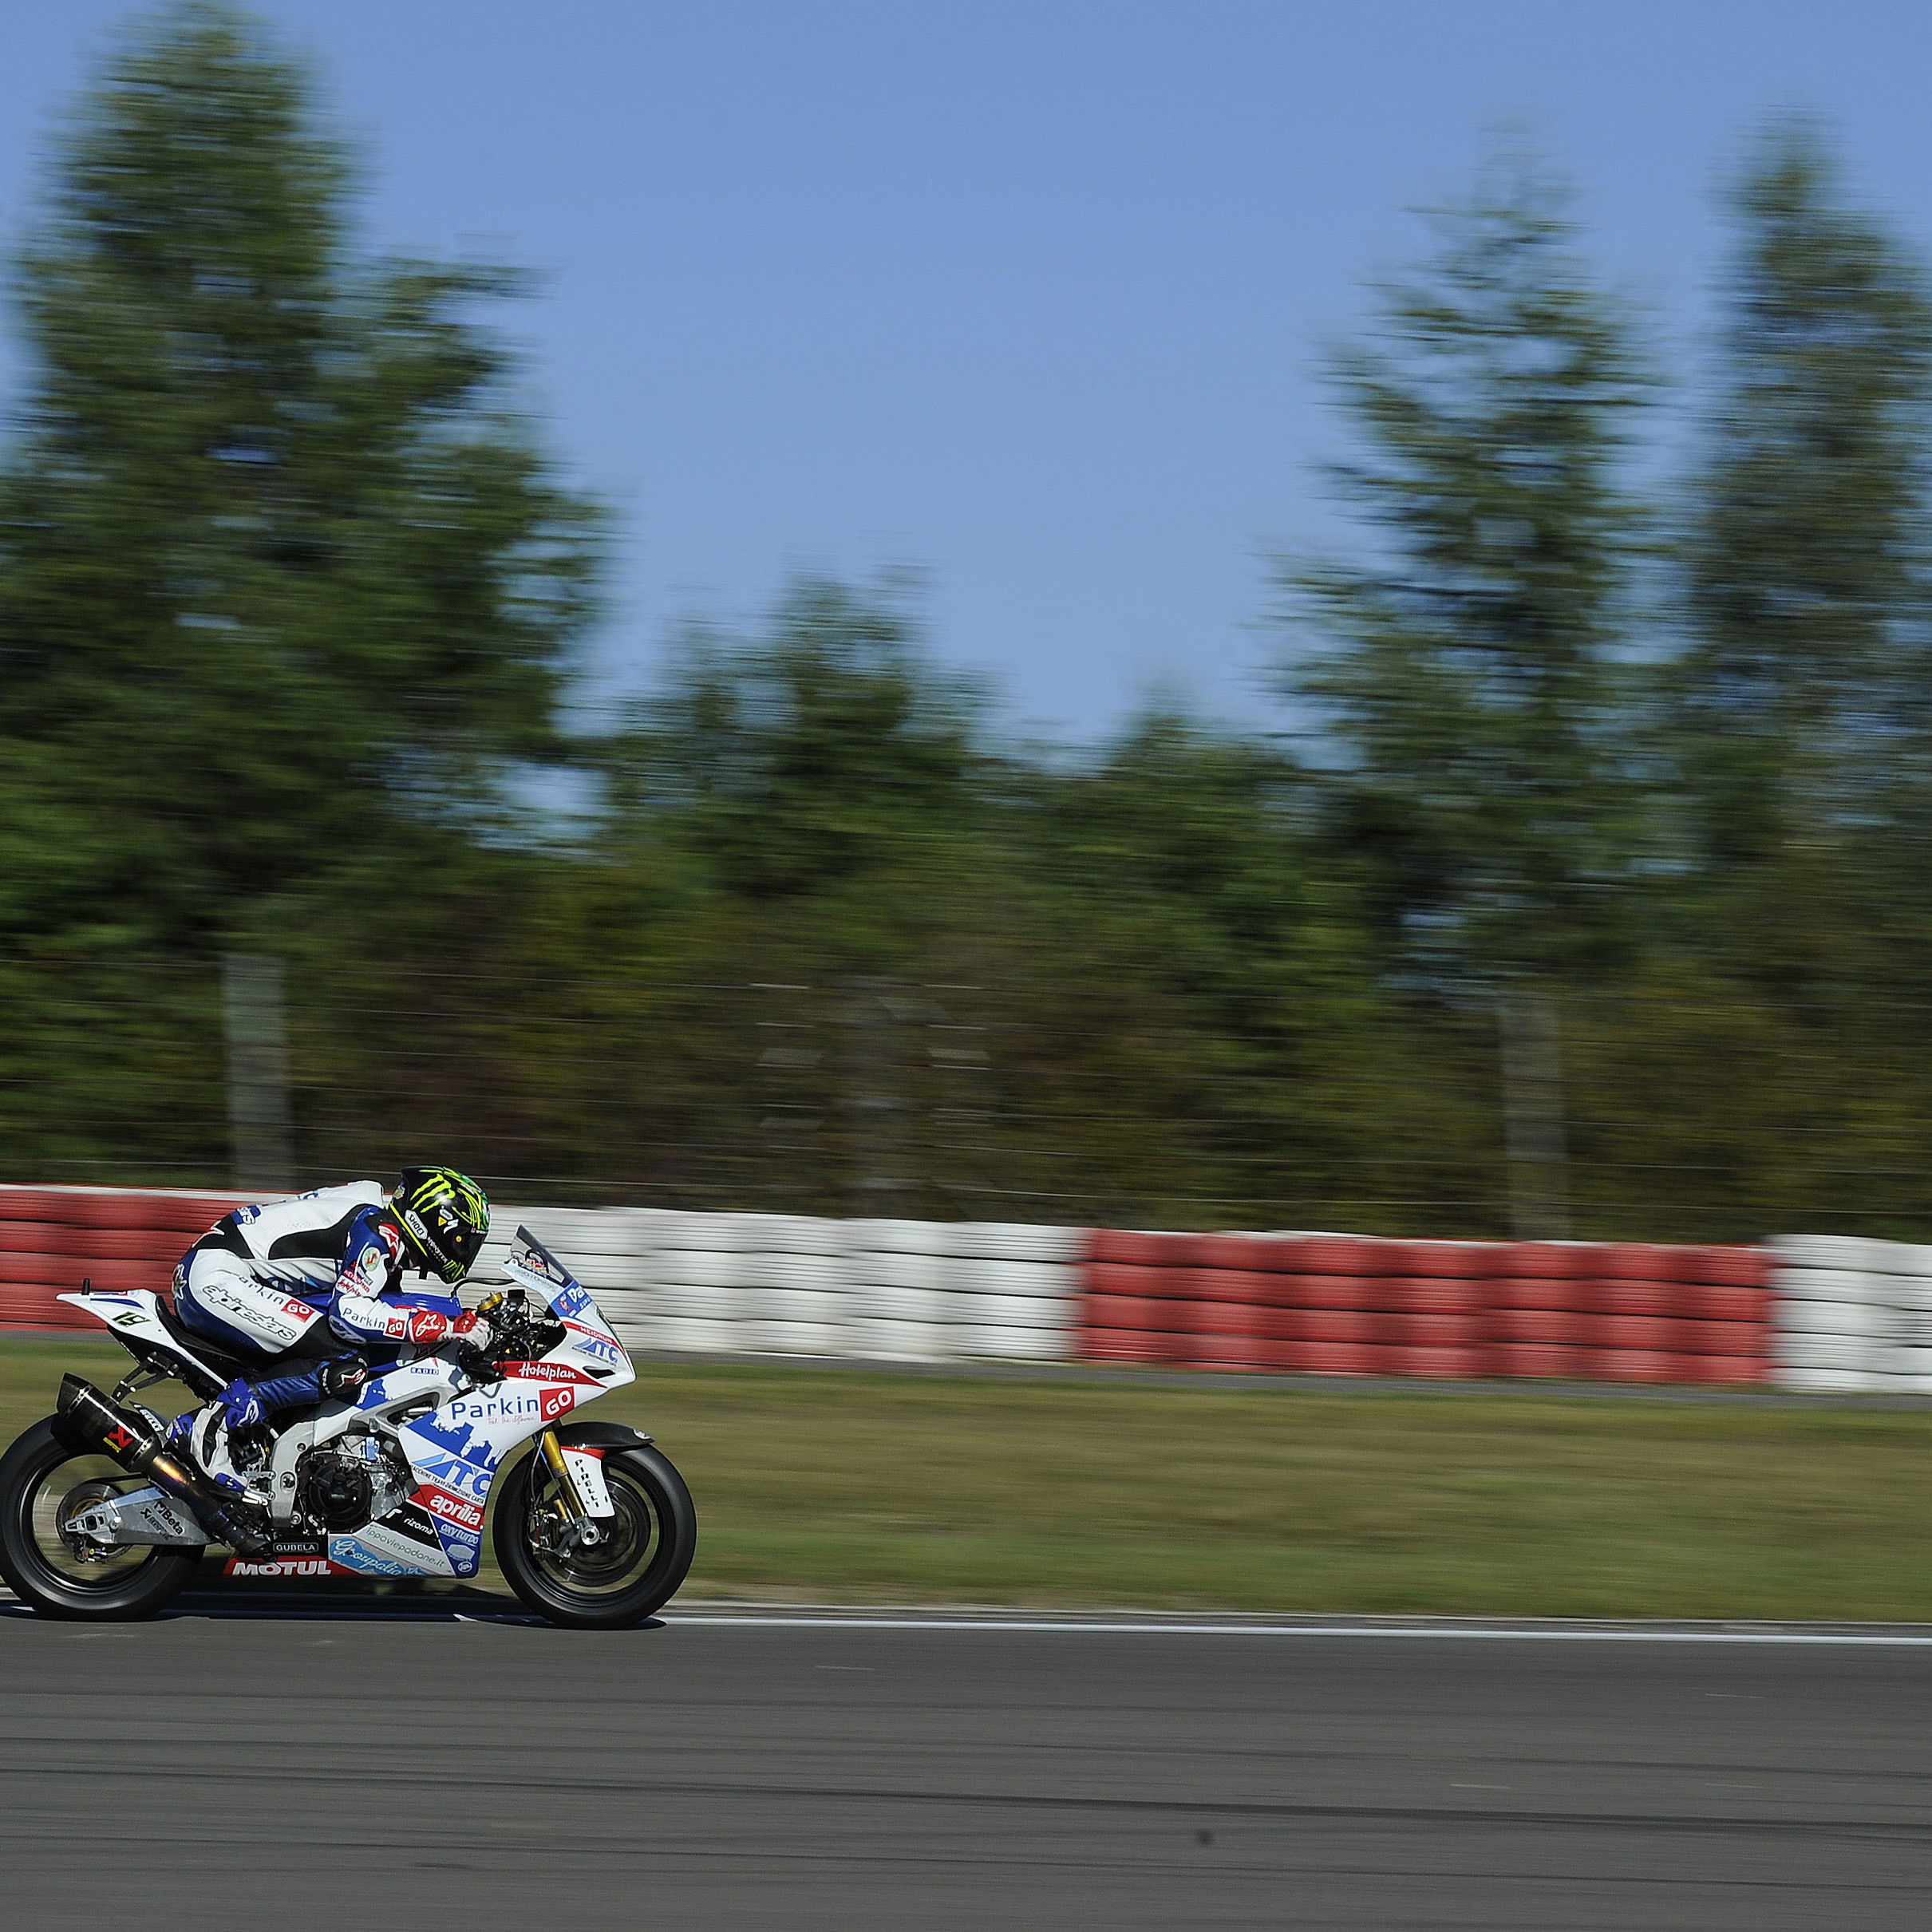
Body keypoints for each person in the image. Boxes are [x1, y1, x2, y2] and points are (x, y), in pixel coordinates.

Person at [165, 1166, 495, 1497]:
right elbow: (348, 1315)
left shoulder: (378, 1226)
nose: (464, 1248)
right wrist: (445, 1327)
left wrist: (456, 1319)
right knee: (345, 1363)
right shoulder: (378, 1233)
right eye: (462, 1238)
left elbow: (383, 1308)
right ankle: (209, 1428)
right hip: (217, 1278)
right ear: (434, 1221)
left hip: (222, 1272)